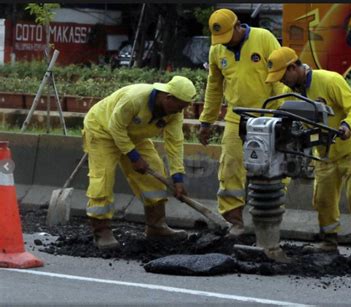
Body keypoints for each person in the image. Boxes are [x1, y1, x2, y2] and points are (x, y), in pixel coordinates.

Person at [265, 47, 351, 251]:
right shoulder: (289, 95)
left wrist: (346, 125)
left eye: (282, 75)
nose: (281, 81)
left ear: (293, 67)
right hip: (323, 154)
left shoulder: (330, 81)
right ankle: (329, 240)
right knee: (323, 198)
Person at [198, 8, 287, 236]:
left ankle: (268, 222)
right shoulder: (217, 50)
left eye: (228, 37)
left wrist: (285, 111)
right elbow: (214, 87)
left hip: (268, 116)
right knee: (230, 168)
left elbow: (279, 76)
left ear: (238, 26)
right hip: (236, 117)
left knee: (271, 170)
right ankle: (234, 221)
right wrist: (206, 121)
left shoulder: (263, 38)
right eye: (220, 40)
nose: (225, 44)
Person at [82, 76, 197, 250]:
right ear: (168, 97)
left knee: (155, 174)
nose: (181, 111)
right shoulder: (134, 99)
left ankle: (156, 226)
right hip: (102, 130)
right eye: (180, 106)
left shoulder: (174, 113)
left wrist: (178, 177)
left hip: (133, 135)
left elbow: (175, 143)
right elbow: (116, 127)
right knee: (103, 179)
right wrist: (134, 157)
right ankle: (101, 231)